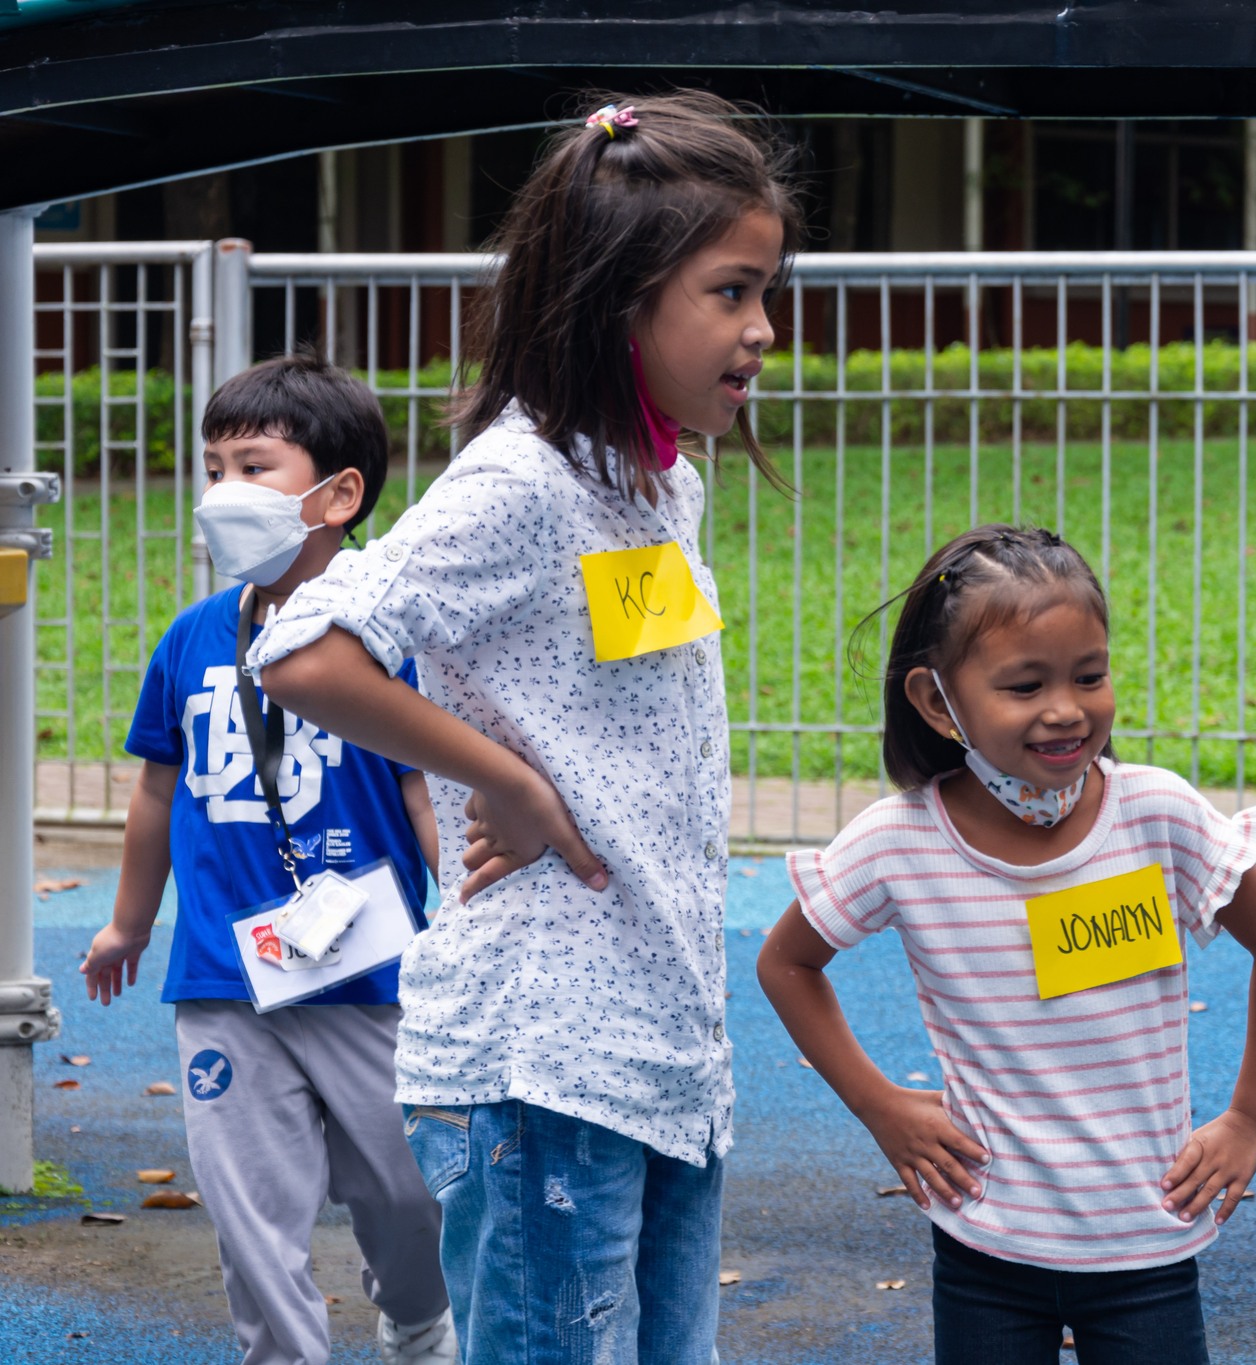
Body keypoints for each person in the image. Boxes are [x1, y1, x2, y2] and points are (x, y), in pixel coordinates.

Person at [249, 92, 803, 1363]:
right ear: (621, 297)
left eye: (766, 291)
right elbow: (300, 649)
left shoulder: (659, 480)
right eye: (729, 292)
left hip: (657, 1033)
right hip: (542, 1049)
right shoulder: (521, 481)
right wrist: (508, 781)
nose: (761, 329)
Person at [756, 525, 1256, 1365]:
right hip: (986, 1245)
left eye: (1090, 675)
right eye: (1025, 685)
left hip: (1146, 1243)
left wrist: (1249, 1117)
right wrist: (879, 1104)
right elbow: (787, 962)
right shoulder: (900, 843)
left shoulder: (1156, 814)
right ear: (937, 701)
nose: (1066, 708)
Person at [79, 352, 455, 1365]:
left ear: (338, 495)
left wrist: (459, 916)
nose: (221, 494)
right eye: (213, 467)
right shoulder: (193, 638)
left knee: (406, 1196)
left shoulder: (391, 638)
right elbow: (158, 788)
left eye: (254, 466)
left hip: (372, 977)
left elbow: (426, 785)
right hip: (222, 973)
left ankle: (417, 1322)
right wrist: (128, 922)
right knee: (251, 1218)